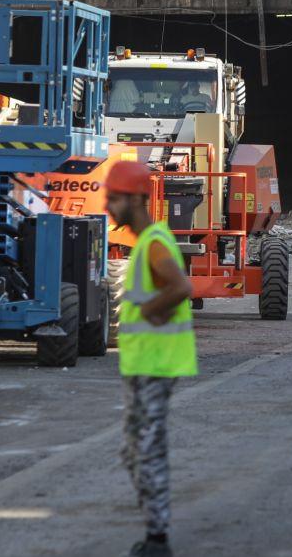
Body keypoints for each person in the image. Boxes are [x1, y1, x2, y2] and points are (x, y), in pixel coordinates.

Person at [105, 161, 196, 557]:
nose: (107, 205)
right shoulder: (145, 244)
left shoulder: (155, 243)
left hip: (157, 365)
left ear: (136, 199)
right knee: (133, 452)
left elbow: (180, 286)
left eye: (113, 198)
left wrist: (151, 310)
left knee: (148, 450)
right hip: (142, 365)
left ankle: (158, 539)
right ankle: (153, 528)